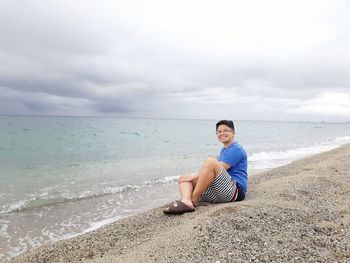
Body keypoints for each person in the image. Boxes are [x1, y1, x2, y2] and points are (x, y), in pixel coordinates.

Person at [164, 120, 248, 214]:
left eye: (225, 130)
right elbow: (211, 174)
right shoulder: (224, 149)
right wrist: (191, 177)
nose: (222, 133)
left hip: (234, 192)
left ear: (233, 132)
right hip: (219, 193)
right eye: (219, 132)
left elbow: (219, 167)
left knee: (210, 162)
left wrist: (194, 176)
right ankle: (186, 201)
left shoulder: (237, 149)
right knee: (184, 178)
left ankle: (193, 199)